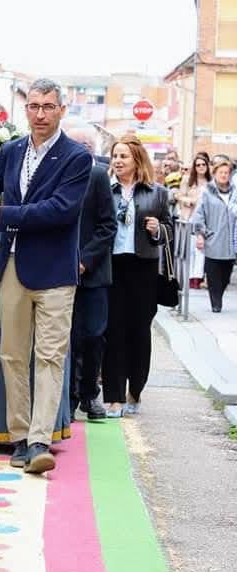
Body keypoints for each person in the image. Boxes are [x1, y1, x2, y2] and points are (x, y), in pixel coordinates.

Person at [0, 78, 91, 475]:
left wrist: (1, 214)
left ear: (61, 110)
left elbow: (59, 210)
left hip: (54, 272)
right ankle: (19, 437)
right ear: (26, 109)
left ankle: (38, 442)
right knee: (12, 354)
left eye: (48, 107)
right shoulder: (13, 149)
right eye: (33, 106)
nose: (40, 114)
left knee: (49, 357)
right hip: (12, 265)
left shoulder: (76, 157)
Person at [102, 135, 172, 417]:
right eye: (115, 156)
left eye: (123, 157)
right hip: (112, 266)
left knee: (139, 332)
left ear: (136, 161)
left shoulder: (156, 193)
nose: (117, 161)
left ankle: (136, 390)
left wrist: (158, 229)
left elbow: (170, 229)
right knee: (113, 331)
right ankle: (115, 397)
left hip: (143, 267)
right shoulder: (105, 190)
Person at [64, 125, 116, 421]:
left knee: (94, 335)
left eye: (87, 145)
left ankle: (90, 395)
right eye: (77, 144)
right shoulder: (58, 175)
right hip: (61, 271)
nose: (83, 149)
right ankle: (70, 398)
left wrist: (85, 261)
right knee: (67, 337)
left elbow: (108, 225)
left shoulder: (97, 177)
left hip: (93, 272)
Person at [191, 158, 236, 313]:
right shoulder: (207, 192)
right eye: (221, 172)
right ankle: (215, 302)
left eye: (227, 173)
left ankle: (219, 294)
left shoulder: (234, 192)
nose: (224, 175)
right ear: (215, 173)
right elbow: (199, 215)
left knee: (226, 275)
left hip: (230, 241)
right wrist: (200, 235)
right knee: (213, 273)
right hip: (213, 239)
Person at [174, 153, 211, 288]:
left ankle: (197, 278)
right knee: (189, 249)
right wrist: (189, 201)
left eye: (203, 164)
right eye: (198, 165)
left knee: (201, 249)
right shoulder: (187, 180)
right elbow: (178, 195)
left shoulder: (211, 182)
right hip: (189, 217)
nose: (201, 167)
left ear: (207, 166)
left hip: (205, 220)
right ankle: (188, 277)